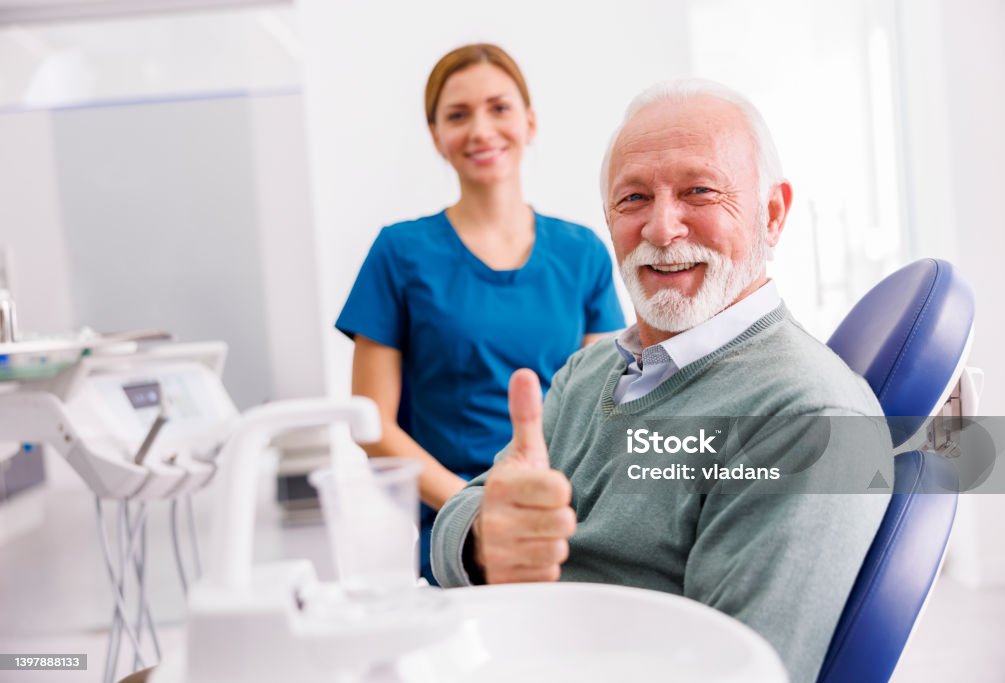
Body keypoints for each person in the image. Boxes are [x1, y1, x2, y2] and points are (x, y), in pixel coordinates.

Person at [431, 79, 891, 683]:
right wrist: (484, 537)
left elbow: (743, 672)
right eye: (633, 200)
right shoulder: (588, 370)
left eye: (699, 191)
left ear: (771, 214)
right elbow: (455, 525)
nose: (661, 228)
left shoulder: (809, 421)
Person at [336, 44, 625, 584]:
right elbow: (372, 425)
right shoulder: (399, 254)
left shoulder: (583, 252)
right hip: (455, 540)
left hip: (562, 527)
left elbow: (603, 410)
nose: (481, 129)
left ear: (530, 121)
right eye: (458, 115)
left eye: (499, 108)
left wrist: (544, 513)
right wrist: (477, 515)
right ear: (436, 136)